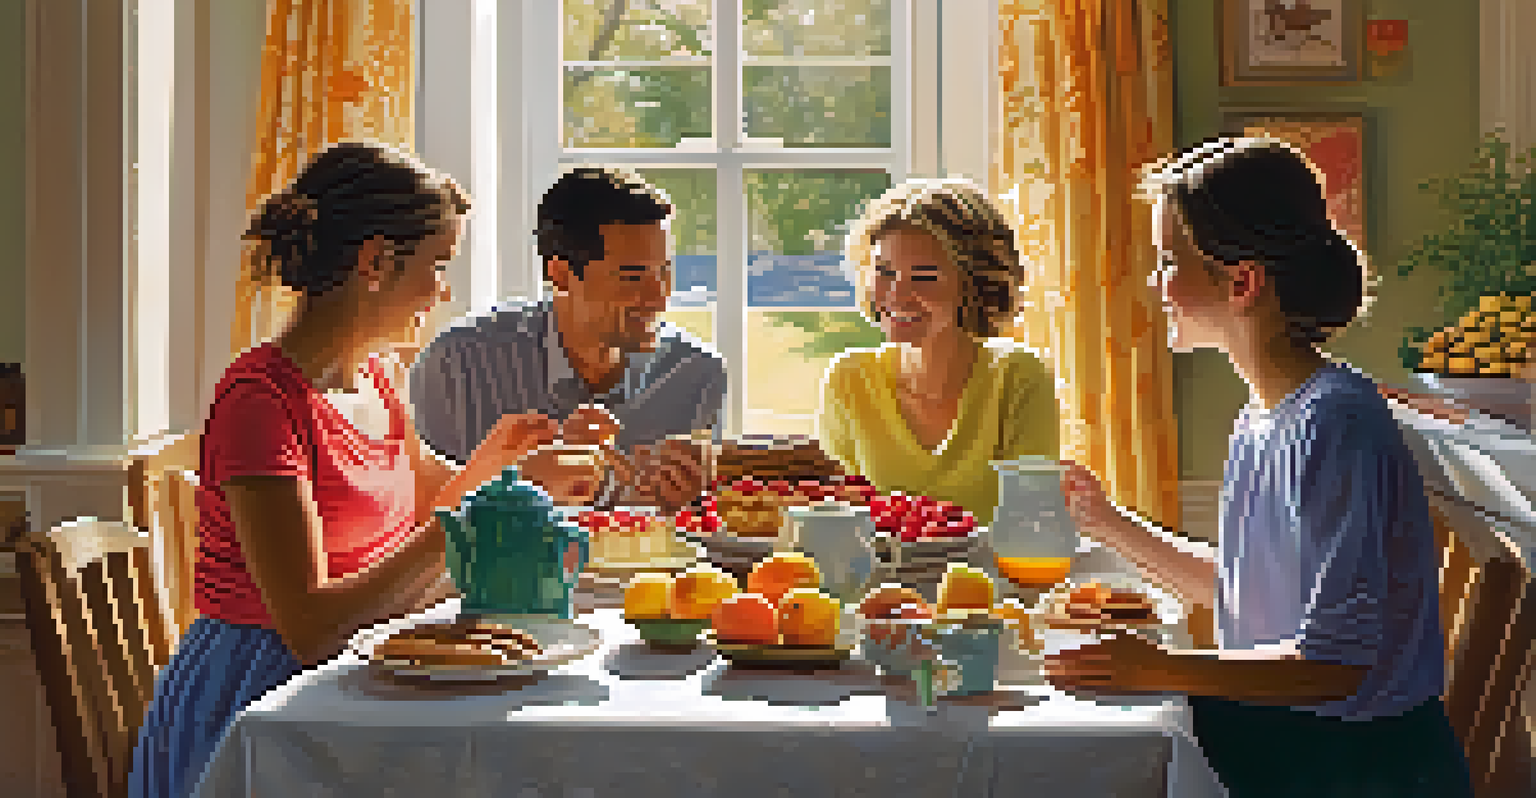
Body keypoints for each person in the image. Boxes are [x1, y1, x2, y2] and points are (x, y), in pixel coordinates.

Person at [1045, 138, 1474, 796]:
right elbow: (1249, 591)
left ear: (1242, 282)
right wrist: (1107, 524)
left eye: (1168, 262)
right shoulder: (1264, 416)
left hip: (1357, 769)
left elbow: (1332, 665)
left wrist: (1163, 668)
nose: (1157, 284)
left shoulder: (1336, 423)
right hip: (1299, 742)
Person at [130, 142, 556, 798]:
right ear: (376, 262)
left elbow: (434, 507)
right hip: (260, 704)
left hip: (354, 676)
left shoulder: (379, 381)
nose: (443, 291)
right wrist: (462, 519)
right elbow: (309, 628)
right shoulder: (260, 402)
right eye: (438, 265)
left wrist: (506, 470)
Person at [410, 167, 726, 513]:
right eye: (632, 276)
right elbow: (425, 521)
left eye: (665, 272)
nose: (659, 298)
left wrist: (689, 505)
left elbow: (699, 532)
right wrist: (529, 485)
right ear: (559, 274)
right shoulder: (457, 366)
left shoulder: (697, 374)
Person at [815, 178, 1060, 525]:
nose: (897, 296)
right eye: (885, 272)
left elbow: (1034, 523)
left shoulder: (1019, 377)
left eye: (924, 276)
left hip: (992, 579)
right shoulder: (848, 380)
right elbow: (834, 519)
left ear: (973, 285)